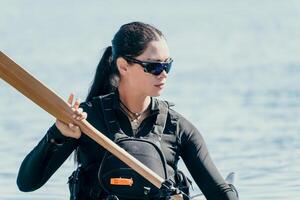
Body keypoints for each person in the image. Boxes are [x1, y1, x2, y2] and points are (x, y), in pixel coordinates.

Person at [16, 22, 238, 200]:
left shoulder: (178, 128)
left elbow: (219, 194)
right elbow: (27, 183)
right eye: (154, 66)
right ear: (123, 66)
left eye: (167, 65)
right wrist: (58, 136)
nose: (163, 74)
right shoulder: (86, 119)